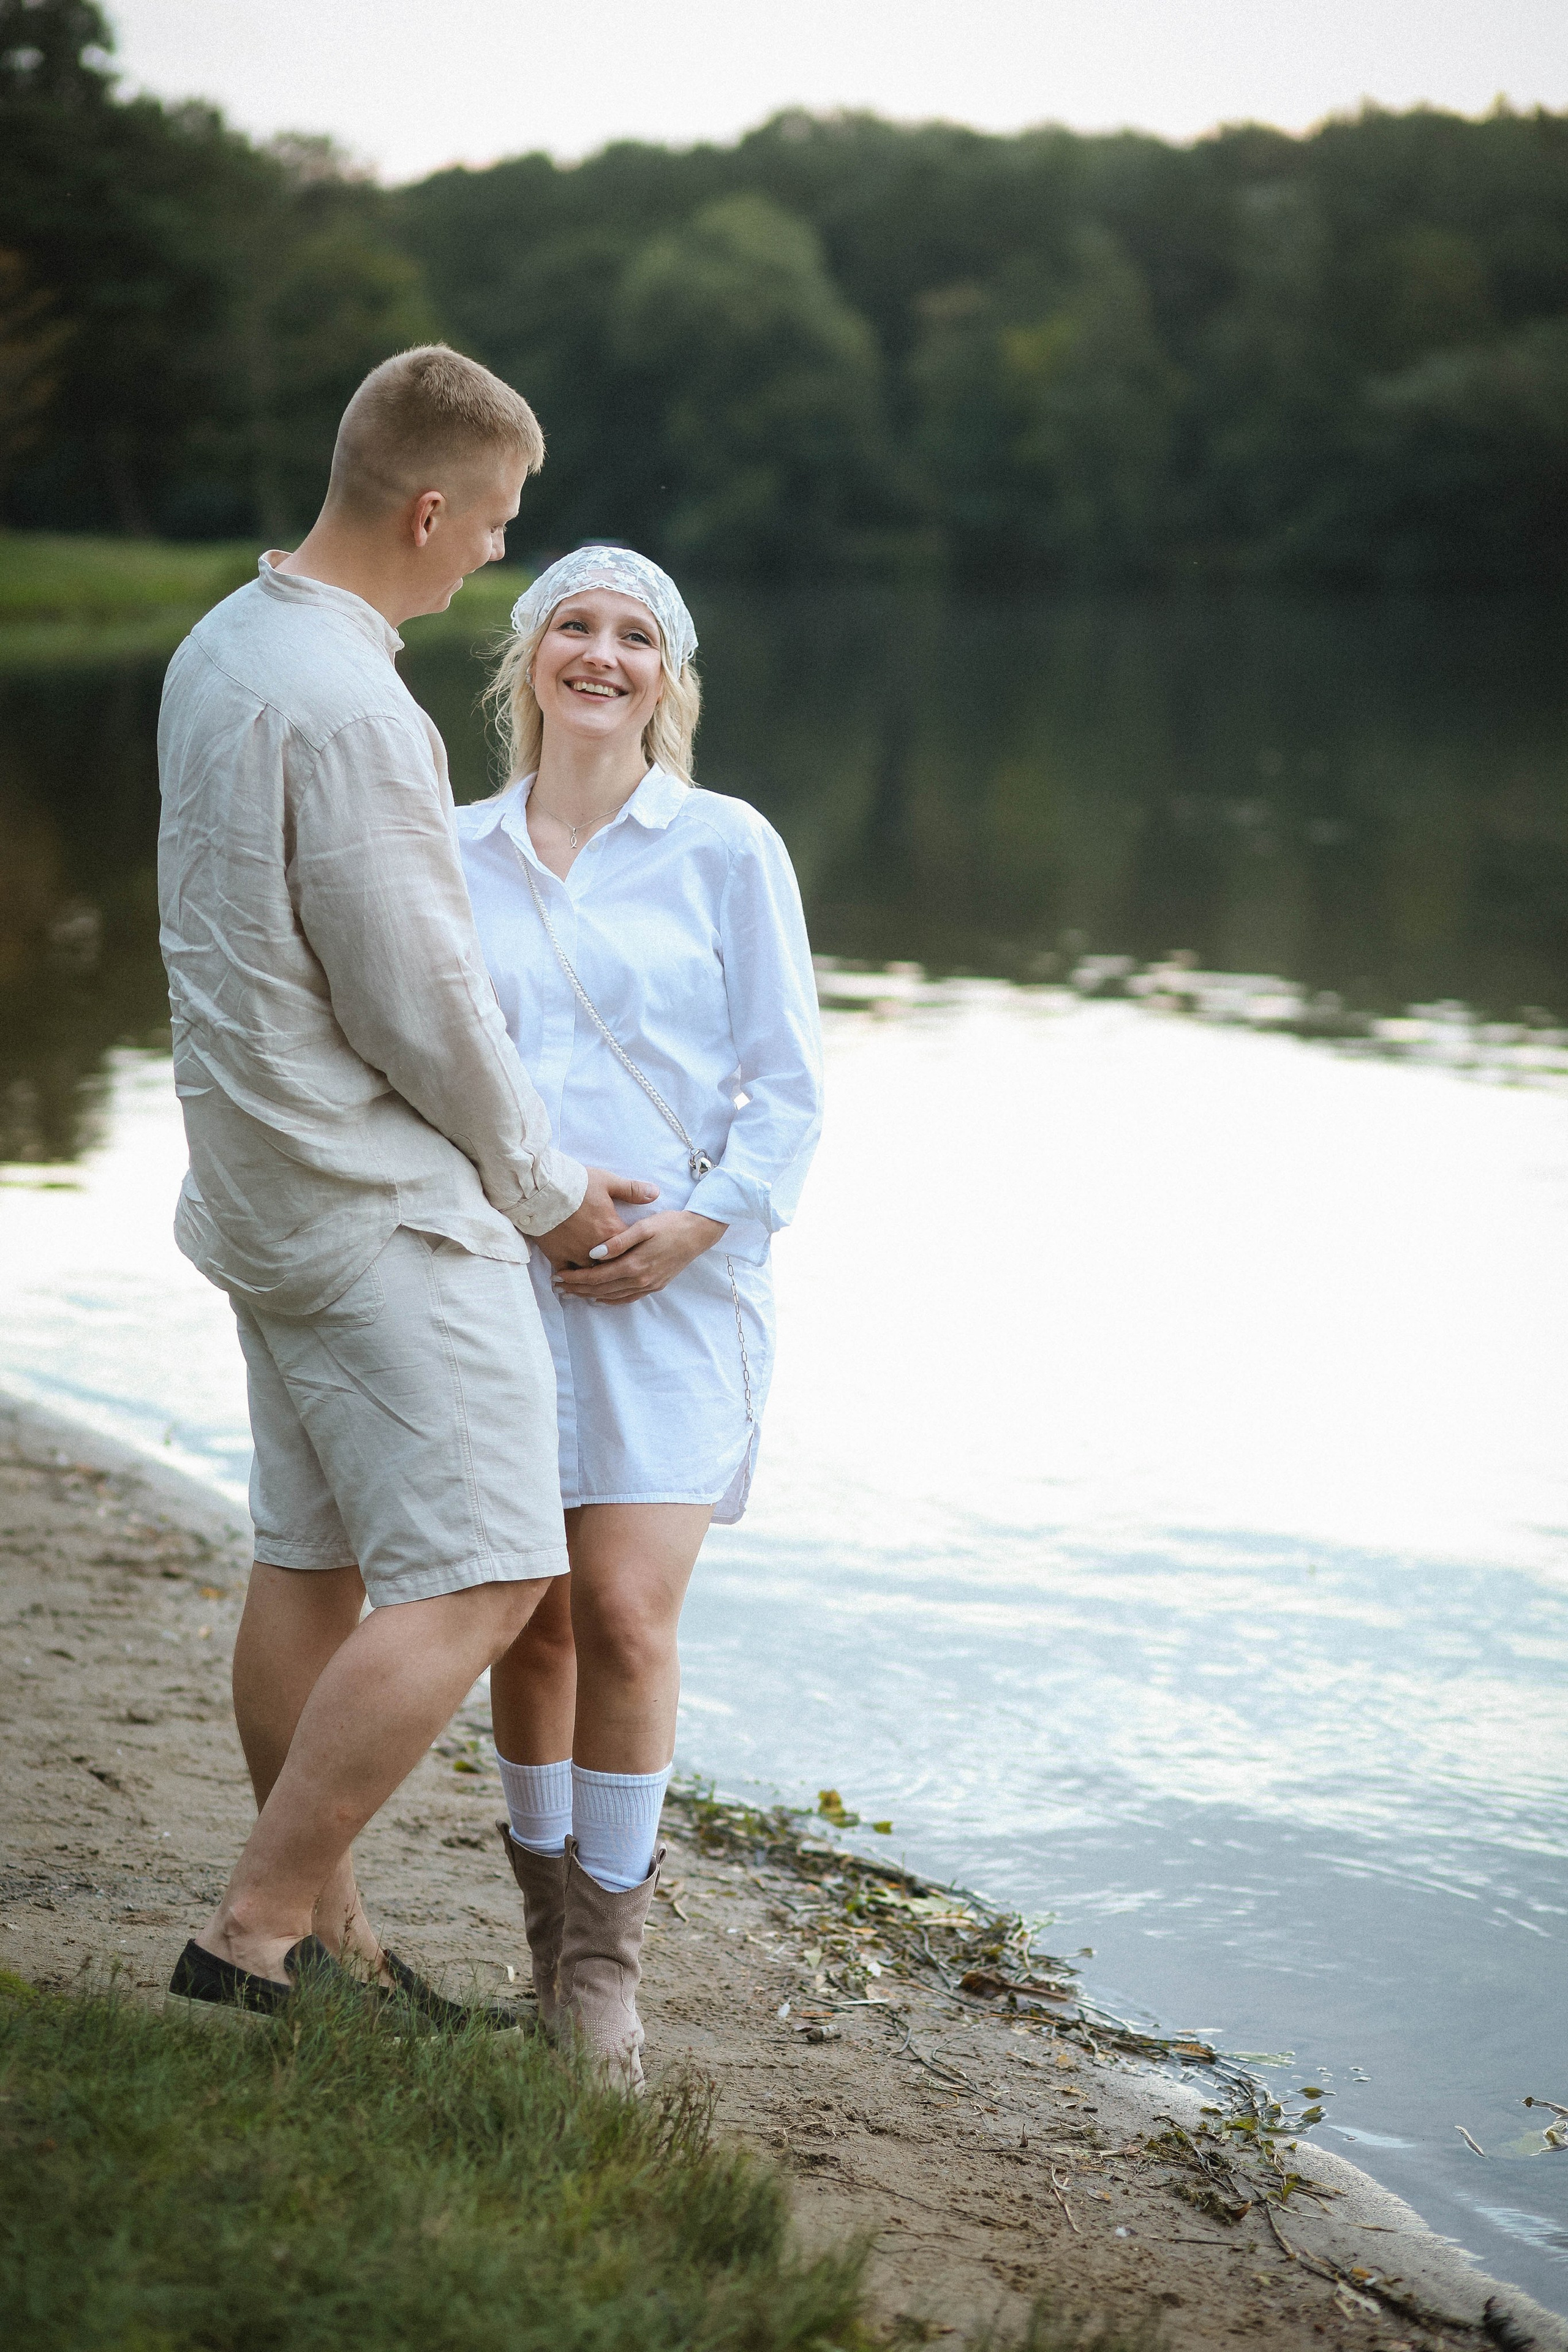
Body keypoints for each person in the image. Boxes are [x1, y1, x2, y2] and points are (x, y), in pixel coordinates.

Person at [157, 349, 656, 2022]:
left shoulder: (224, 646)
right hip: (368, 1211)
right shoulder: (354, 703)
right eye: (497, 524)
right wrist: (552, 1192)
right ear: (430, 505)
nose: (494, 560)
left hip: (253, 1188)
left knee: (309, 1562)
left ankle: (336, 1943)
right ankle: (249, 1934)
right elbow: (418, 1001)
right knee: (492, 1572)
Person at [456, 546, 823, 2085]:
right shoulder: (450, 847)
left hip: (674, 1287)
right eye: (571, 626)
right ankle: (544, 1947)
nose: (598, 654)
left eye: (632, 636)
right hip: (491, 1275)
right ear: (527, 658)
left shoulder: (726, 845)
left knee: (620, 1610)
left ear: (665, 676)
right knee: (527, 1618)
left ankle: (605, 1973)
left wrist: (697, 1225)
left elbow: (788, 1089)